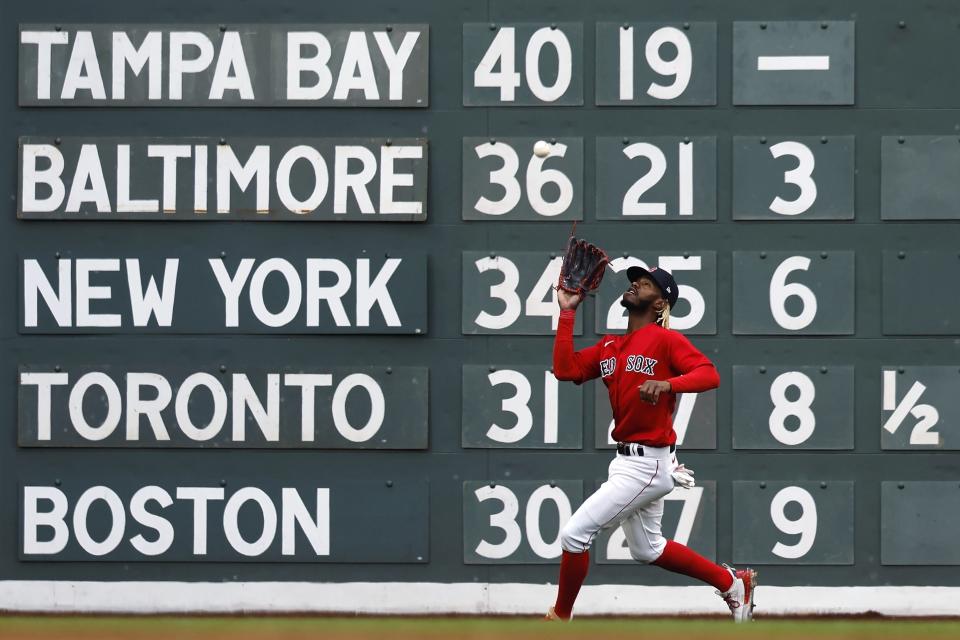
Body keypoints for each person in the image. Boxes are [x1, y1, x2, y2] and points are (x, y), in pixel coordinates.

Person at [545, 264, 756, 622]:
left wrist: (668, 384)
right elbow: (567, 370)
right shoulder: (612, 345)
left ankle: (559, 619)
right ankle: (733, 582)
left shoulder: (666, 340)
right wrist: (567, 312)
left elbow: (709, 374)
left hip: (649, 463)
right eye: (635, 281)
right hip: (628, 460)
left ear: (660, 304)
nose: (635, 286)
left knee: (575, 533)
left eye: (644, 285)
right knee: (648, 548)